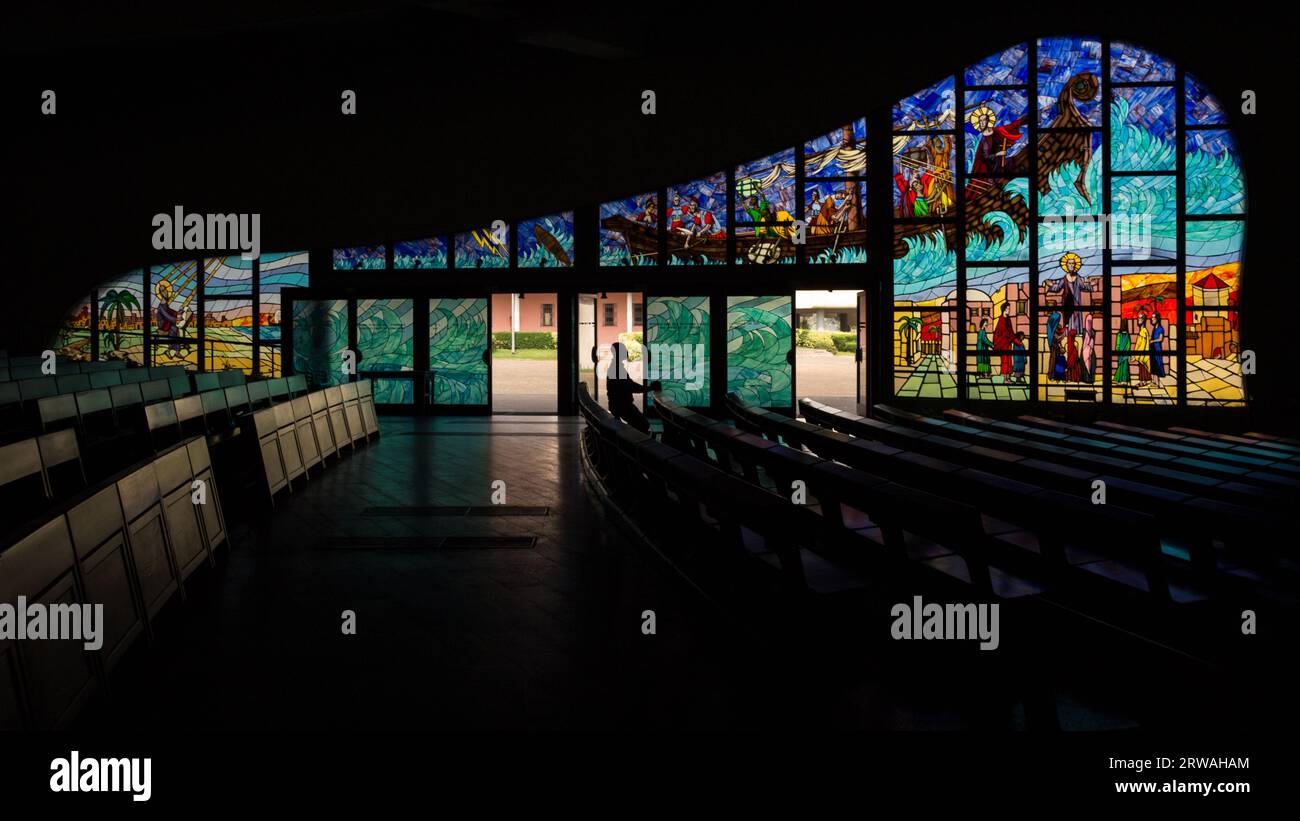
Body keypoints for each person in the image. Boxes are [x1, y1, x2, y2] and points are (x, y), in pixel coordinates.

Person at [605, 342, 657, 433]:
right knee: (644, 425)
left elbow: (630, 385)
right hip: (623, 406)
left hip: (618, 405)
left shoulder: (615, 367)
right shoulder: (618, 369)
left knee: (640, 424)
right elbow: (632, 387)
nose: (627, 351)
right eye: (624, 350)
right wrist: (650, 388)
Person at [992, 302, 1015, 380]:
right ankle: (1005, 379)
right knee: (1005, 361)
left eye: (1009, 308)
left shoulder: (1008, 319)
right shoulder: (1001, 320)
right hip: (1003, 344)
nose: (1009, 310)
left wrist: (1013, 338)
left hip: (1008, 344)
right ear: (1004, 309)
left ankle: (1008, 378)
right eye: (1008, 308)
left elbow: (1011, 331)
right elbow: (998, 334)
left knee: (1009, 361)